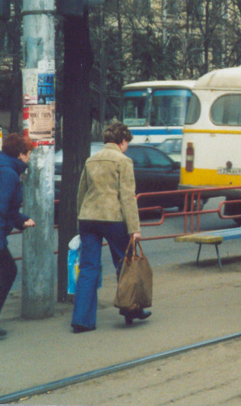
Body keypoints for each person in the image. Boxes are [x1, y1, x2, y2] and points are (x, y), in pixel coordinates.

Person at [71, 122, 150, 332]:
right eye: (127, 143)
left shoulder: (91, 160)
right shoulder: (123, 161)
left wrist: (82, 217)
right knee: (125, 266)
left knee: (88, 268)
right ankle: (131, 308)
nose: (127, 147)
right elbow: (127, 197)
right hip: (113, 218)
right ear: (122, 141)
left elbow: (82, 192)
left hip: (88, 218)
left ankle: (81, 320)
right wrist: (135, 228)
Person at [0, 134, 35, 340]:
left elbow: (5, 208)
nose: (29, 159)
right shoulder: (7, 173)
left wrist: (21, 220)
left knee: (6, 271)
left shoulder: (1, 167)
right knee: (7, 271)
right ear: (20, 154)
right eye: (28, 154)